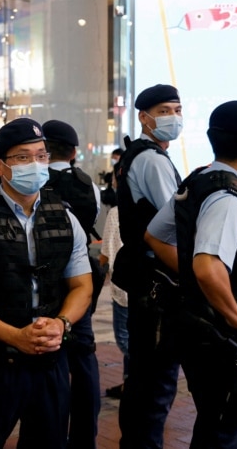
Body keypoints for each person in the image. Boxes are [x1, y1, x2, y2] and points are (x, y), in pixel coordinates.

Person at [0, 117, 93, 449]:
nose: (36, 164)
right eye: (23, 157)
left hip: (49, 359)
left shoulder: (64, 218)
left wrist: (62, 323)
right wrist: (15, 336)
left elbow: (82, 285)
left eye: (41, 155)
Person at [145, 100, 237, 448]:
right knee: (223, 426)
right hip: (221, 332)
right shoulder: (229, 195)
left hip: (198, 325)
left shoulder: (199, 179)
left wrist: (193, 277)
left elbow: (155, 236)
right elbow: (207, 266)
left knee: (214, 419)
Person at [115, 84, 183, 449]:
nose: (173, 117)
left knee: (143, 377)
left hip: (146, 277)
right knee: (155, 382)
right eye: (164, 110)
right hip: (157, 280)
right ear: (144, 117)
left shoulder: (137, 154)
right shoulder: (152, 160)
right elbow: (172, 220)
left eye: (177, 109)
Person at [41, 118, 101, 449]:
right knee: (84, 359)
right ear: (75, 152)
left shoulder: (35, 183)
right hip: (81, 281)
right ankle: (85, 439)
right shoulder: (87, 183)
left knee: (50, 364)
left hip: (47, 283)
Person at [99, 168, 128, 399]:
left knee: (125, 338)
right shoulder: (155, 210)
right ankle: (132, 382)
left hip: (123, 289)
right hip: (152, 288)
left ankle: (140, 379)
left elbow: (105, 255)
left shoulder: (117, 214)